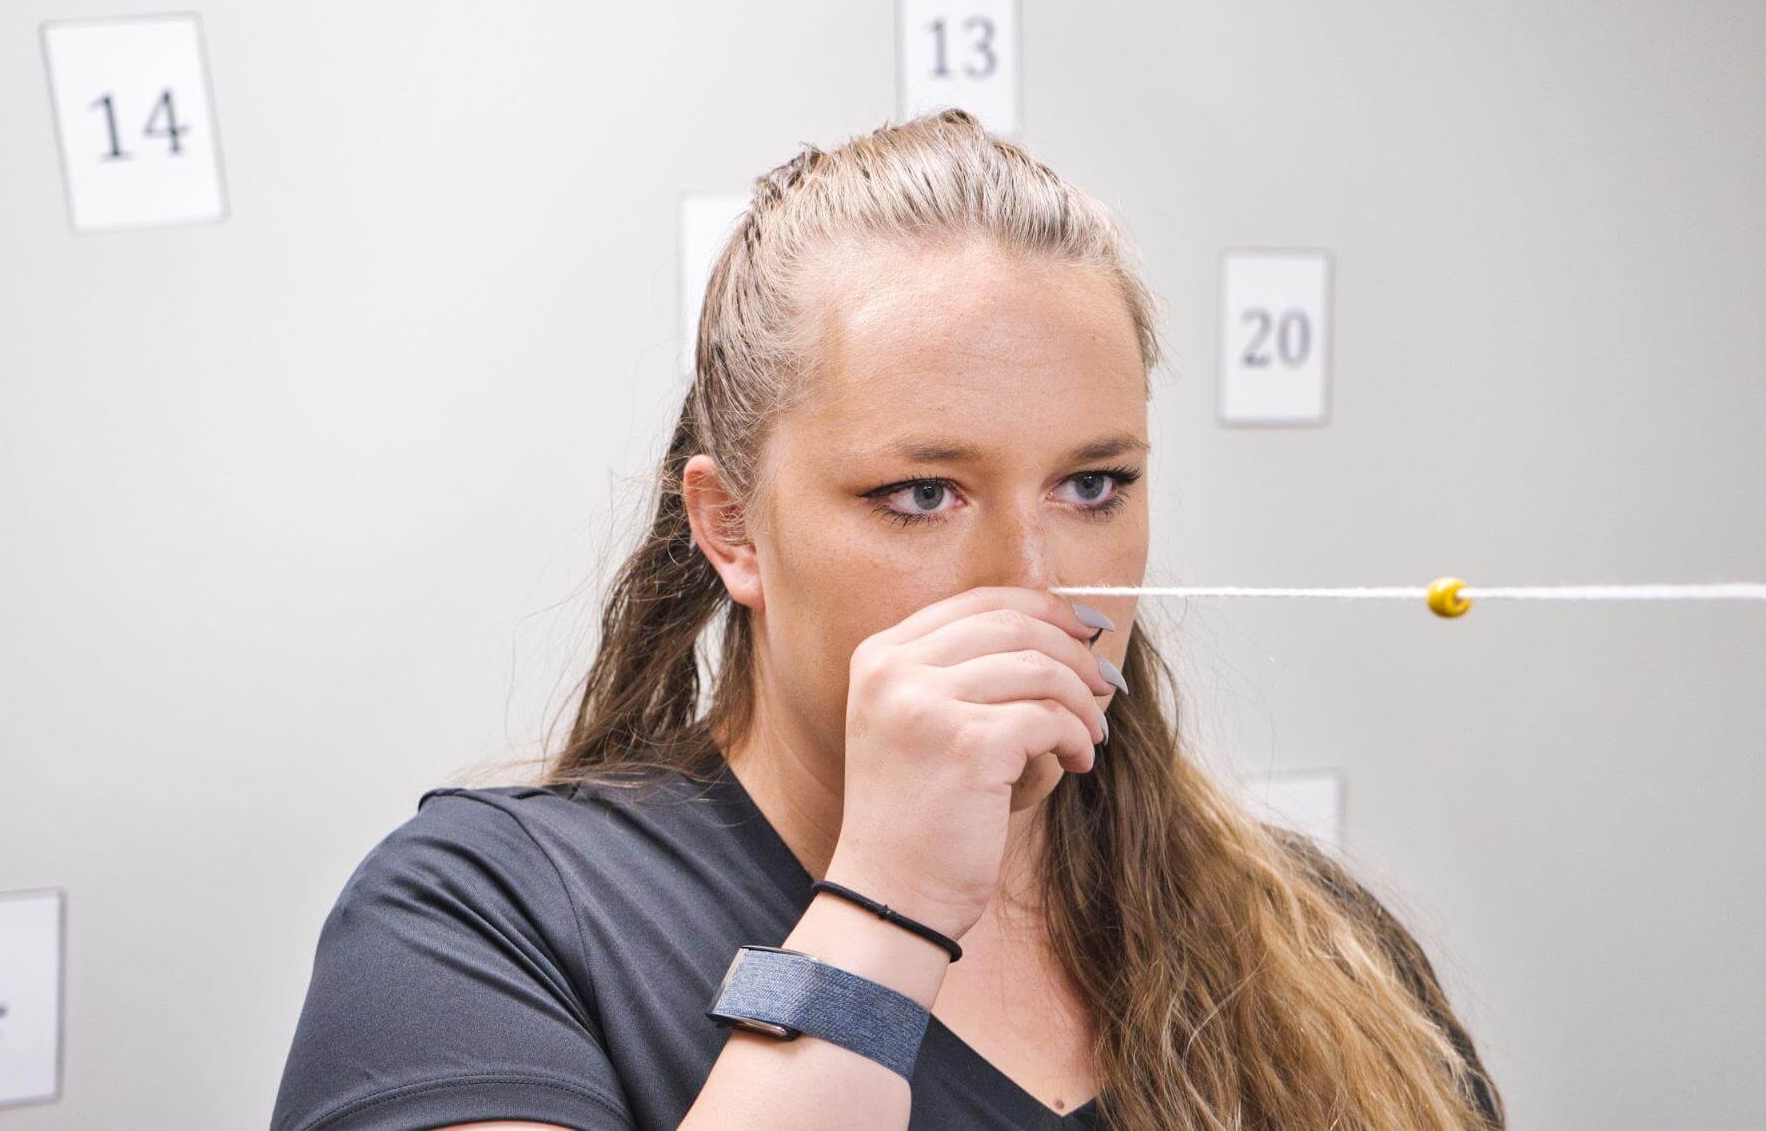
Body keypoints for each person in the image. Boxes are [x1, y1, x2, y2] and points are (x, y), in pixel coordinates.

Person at [270, 109, 1505, 1130]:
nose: (1032, 579)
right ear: (733, 528)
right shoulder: (481, 919)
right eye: (921, 495)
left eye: (1093, 485)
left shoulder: (1315, 949)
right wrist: (890, 899)